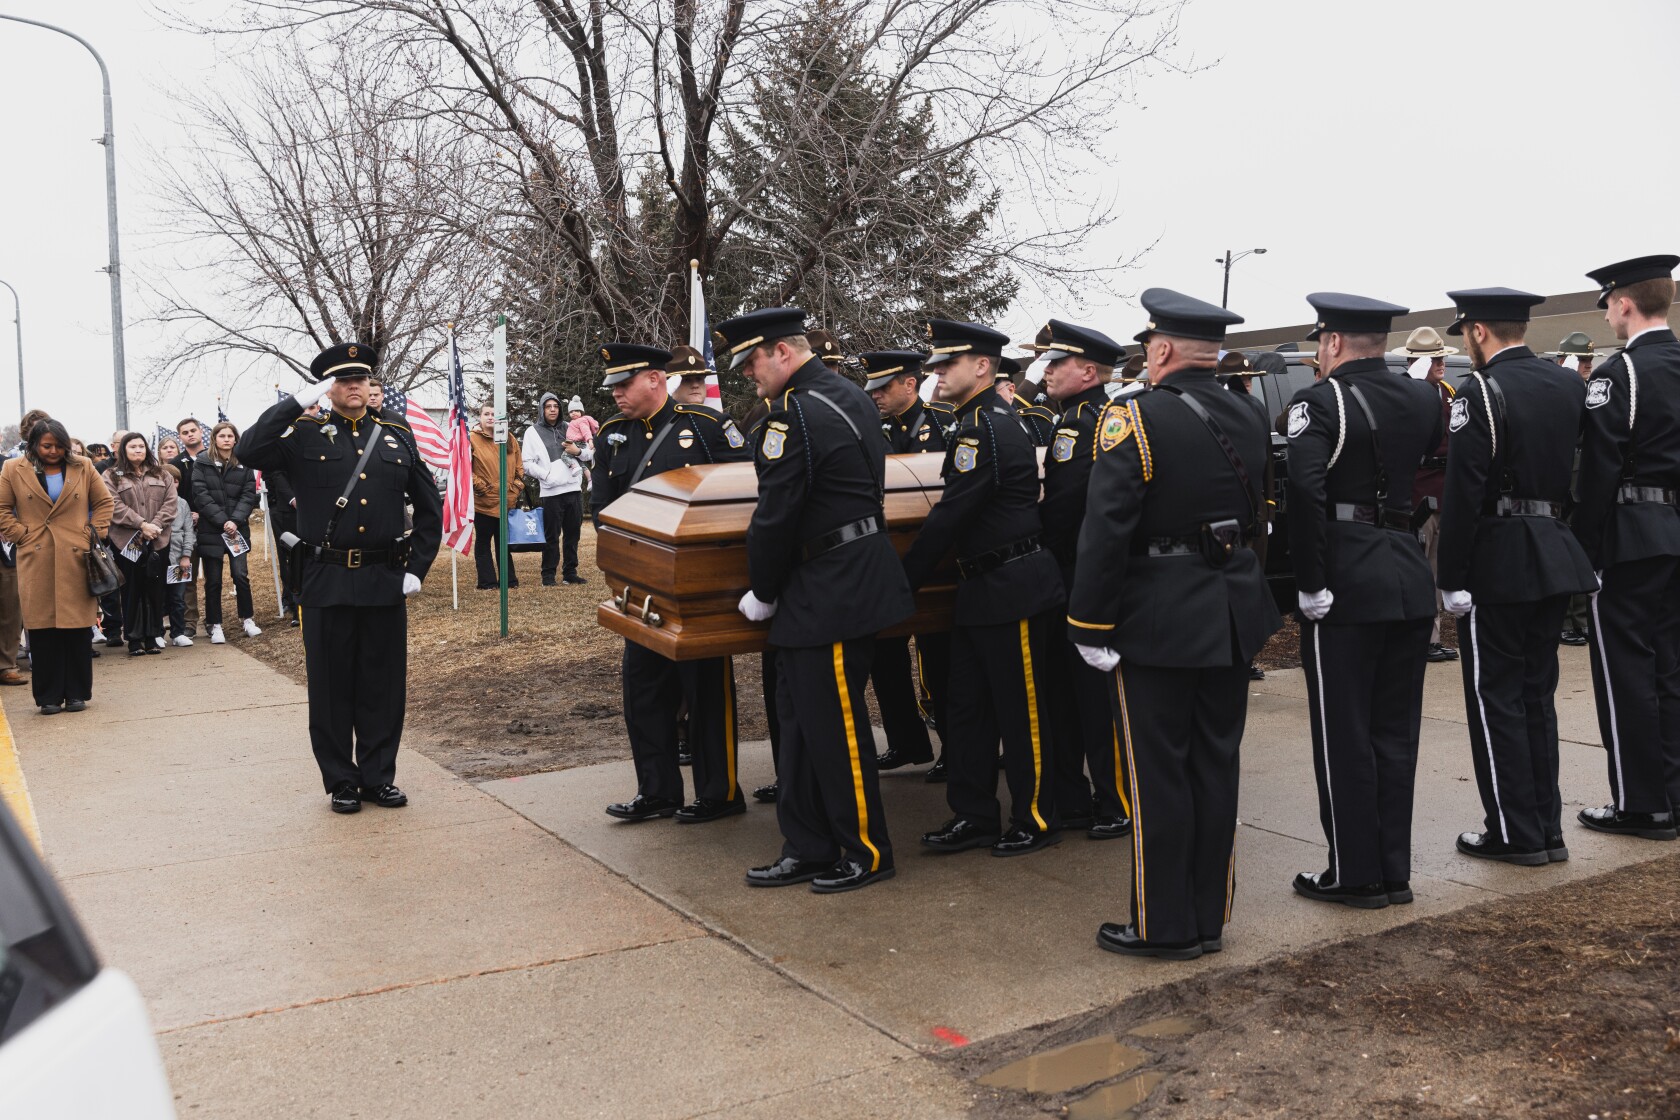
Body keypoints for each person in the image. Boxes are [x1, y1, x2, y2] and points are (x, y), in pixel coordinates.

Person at [1069, 289, 1279, 959]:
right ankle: (1208, 917)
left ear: (1160, 350)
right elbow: (1265, 512)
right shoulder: (1250, 411)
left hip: (1159, 616)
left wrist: (1089, 624)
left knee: (1160, 773)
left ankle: (1163, 926)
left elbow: (1106, 531)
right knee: (1215, 767)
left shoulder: (1133, 419)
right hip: (1229, 609)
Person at [719, 307, 912, 893]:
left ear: (781, 352)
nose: (750, 375)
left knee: (835, 727)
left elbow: (775, 516)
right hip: (839, 579)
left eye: (752, 362)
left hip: (829, 588)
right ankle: (808, 844)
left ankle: (865, 850)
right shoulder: (848, 394)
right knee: (798, 720)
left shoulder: (792, 414)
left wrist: (763, 588)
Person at [1284, 292, 1442, 909]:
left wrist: (1310, 579)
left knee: (1343, 732)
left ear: (1331, 343)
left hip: (1346, 577)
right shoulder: (1426, 396)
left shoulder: (1320, 401)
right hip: (1404, 571)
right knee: (1395, 732)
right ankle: (1392, 871)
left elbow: (1304, 487)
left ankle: (1354, 874)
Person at [240, 341, 443, 813]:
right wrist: (292, 403)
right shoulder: (304, 435)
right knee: (331, 687)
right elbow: (251, 450)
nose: (355, 386)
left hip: (384, 578)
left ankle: (377, 776)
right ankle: (341, 781)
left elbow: (430, 507)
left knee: (383, 683)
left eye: (362, 378)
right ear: (329, 387)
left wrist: (417, 567)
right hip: (326, 579)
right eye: (344, 380)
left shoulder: (396, 434)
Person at [1433, 288, 1597, 866]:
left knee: (1496, 699)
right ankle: (1545, 828)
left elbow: (1463, 492)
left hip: (1499, 560)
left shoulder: (1479, 389)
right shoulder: (1567, 384)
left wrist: (1449, 574)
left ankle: (1512, 831)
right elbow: (1587, 473)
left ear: (1477, 331)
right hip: (1553, 549)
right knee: (1536, 696)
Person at [903, 319, 1065, 858]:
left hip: (1013, 586)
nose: (937, 373)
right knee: (967, 709)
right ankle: (973, 814)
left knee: (1022, 712)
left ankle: (1036, 814)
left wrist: (903, 581)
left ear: (981, 366)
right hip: (983, 586)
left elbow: (951, 515)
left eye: (946, 364)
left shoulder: (984, 426)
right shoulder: (975, 420)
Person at [593, 341, 753, 824]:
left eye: (625, 384)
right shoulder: (613, 435)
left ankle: (720, 792)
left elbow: (744, 495)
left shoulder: (705, 429)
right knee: (642, 690)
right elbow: (604, 510)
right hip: (640, 589)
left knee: (706, 689)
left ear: (656, 380)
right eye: (614, 386)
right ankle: (657, 791)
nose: (616, 394)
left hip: (700, 588)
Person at [1572, 254, 1680, 840]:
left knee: (1625, 673)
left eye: (1609, 302)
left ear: (1623, 303)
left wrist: (1584, 549)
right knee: (1671, 670)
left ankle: (1642, 804)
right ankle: (1674, 794)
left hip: (1631, 534)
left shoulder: (1621, 374)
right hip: (1674, 531)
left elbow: (1599, 471)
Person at [1034, 319, 1135, 842]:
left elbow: (1070, 505)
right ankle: (1077, 797)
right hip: (1074, 567)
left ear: (1088, 371)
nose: (1046, 371)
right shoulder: (1083, 415)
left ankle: (1115, 799)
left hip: (1081, 569)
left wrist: (1035, 541)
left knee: (1094, 696)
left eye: (1057, 363)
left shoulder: (1083, 422)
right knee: (1070, 692)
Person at [861, 349, 950, 777]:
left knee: (939, 660)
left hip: (933, 563)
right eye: (872, 388)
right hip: (887, 561)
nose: (875, 395)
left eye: (883, 387)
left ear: (910, 384)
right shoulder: (875, 429)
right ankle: (906, 741)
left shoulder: (941, 425)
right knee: (885, 656)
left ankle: (954, 746)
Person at [0, 419, 114, 714]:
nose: (53, 451)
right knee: (42, 630)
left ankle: (77, 694)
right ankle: (48, 697)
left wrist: (93, 532)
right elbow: (1, 508)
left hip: (76, 556)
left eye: (59, 445)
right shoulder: (13, 469)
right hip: (34, 556)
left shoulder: (83, 467)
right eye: (46, 445)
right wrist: (21, 535)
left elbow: (104, 502)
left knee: (77, 630)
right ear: (34, 444)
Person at [1390, 325, 1461, 663]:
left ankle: (1430, 638)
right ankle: (1411, 635)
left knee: (1434, 571)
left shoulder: (1448, 391)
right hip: (1417, 492)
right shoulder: (1403, 393)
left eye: (1441, 357)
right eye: (1433, 359)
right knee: (1417, 568)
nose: (1440, 363)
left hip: (1443, 490)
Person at [107, 432, 178, 656]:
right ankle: (135, 639)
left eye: (141, 446)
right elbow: (113, 504)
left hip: (157, 540)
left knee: (155, 589)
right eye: (132, 447)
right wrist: (141, 525)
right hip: (127, 542)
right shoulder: (112, 475)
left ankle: (152, 636)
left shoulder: (161, 474)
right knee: (132, 590)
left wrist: (153, 525)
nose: (138, 450)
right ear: (123, 450)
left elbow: (171, 503)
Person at [192, 421, 261, 644]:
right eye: (222, 435)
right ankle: (215, 624)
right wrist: (223, 521)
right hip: (212, 529)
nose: (226, 439)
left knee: (240, 575)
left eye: (230, 436)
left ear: (235, 439)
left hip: (237, 529)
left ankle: (247, 618)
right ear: (214, 438)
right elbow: (201, 495)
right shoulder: (202, 462)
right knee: (213, 580)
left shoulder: (245, 463)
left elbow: (249, 495)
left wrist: (235, 520)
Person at [523, 392, 590, 587]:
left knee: (573, 534)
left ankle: (570, 573)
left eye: (556, 406)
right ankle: (548, 575)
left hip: (573, 489)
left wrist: (577, 452)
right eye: (548, 406)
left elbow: (586, 453)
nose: (553, 409)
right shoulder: (532, 432)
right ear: (542, 409)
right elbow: (526, 463)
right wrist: (546, 476)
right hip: (551, 492)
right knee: (551, 536)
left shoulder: (570, 427)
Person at [1556, 332, 1597, 646]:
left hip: (1586, 476)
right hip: (1564, 480)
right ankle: (1567, 621)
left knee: (1583, 550)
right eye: (1580, 359)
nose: (1586, 365)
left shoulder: (1594, 390)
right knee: (1565, 551)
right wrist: (1567, 378)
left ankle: (1580, 620)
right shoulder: (1560, 389)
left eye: (1589, 360)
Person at [469, 403, 523, 589]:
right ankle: (487, 581)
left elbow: (519, 468)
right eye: (486, 413)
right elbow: (466, 469)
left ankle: (508, 580)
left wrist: (515, 488)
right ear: (480, 417)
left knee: (503, 543)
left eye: (494, 413)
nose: (490, 417)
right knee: (483, 542)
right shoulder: (471, 439)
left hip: (506, 501)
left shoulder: (509, 438)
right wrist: (482, 487)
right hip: (483, 502)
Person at [173, 417, 208, 638]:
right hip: (188, 527)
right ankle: (190, 622)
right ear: (181, 437)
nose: (190, 435)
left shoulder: (212, 457)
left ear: (201, 432)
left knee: (215, 577)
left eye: (193, 430)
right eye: (185, 432)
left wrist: (204, 513)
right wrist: (188, 515)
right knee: (188, 578)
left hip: (213, 524)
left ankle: (215, 620)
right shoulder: (177, 463)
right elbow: (172, 496)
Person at [166, 489, 195, 646]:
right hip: (159, 556)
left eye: (176, 481)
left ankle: (178, 632)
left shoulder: (183, 503)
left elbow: (189, 531)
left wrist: (186, 555)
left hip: (178, 558)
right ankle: (156, 632)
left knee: (178, 597)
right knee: (157, 597)